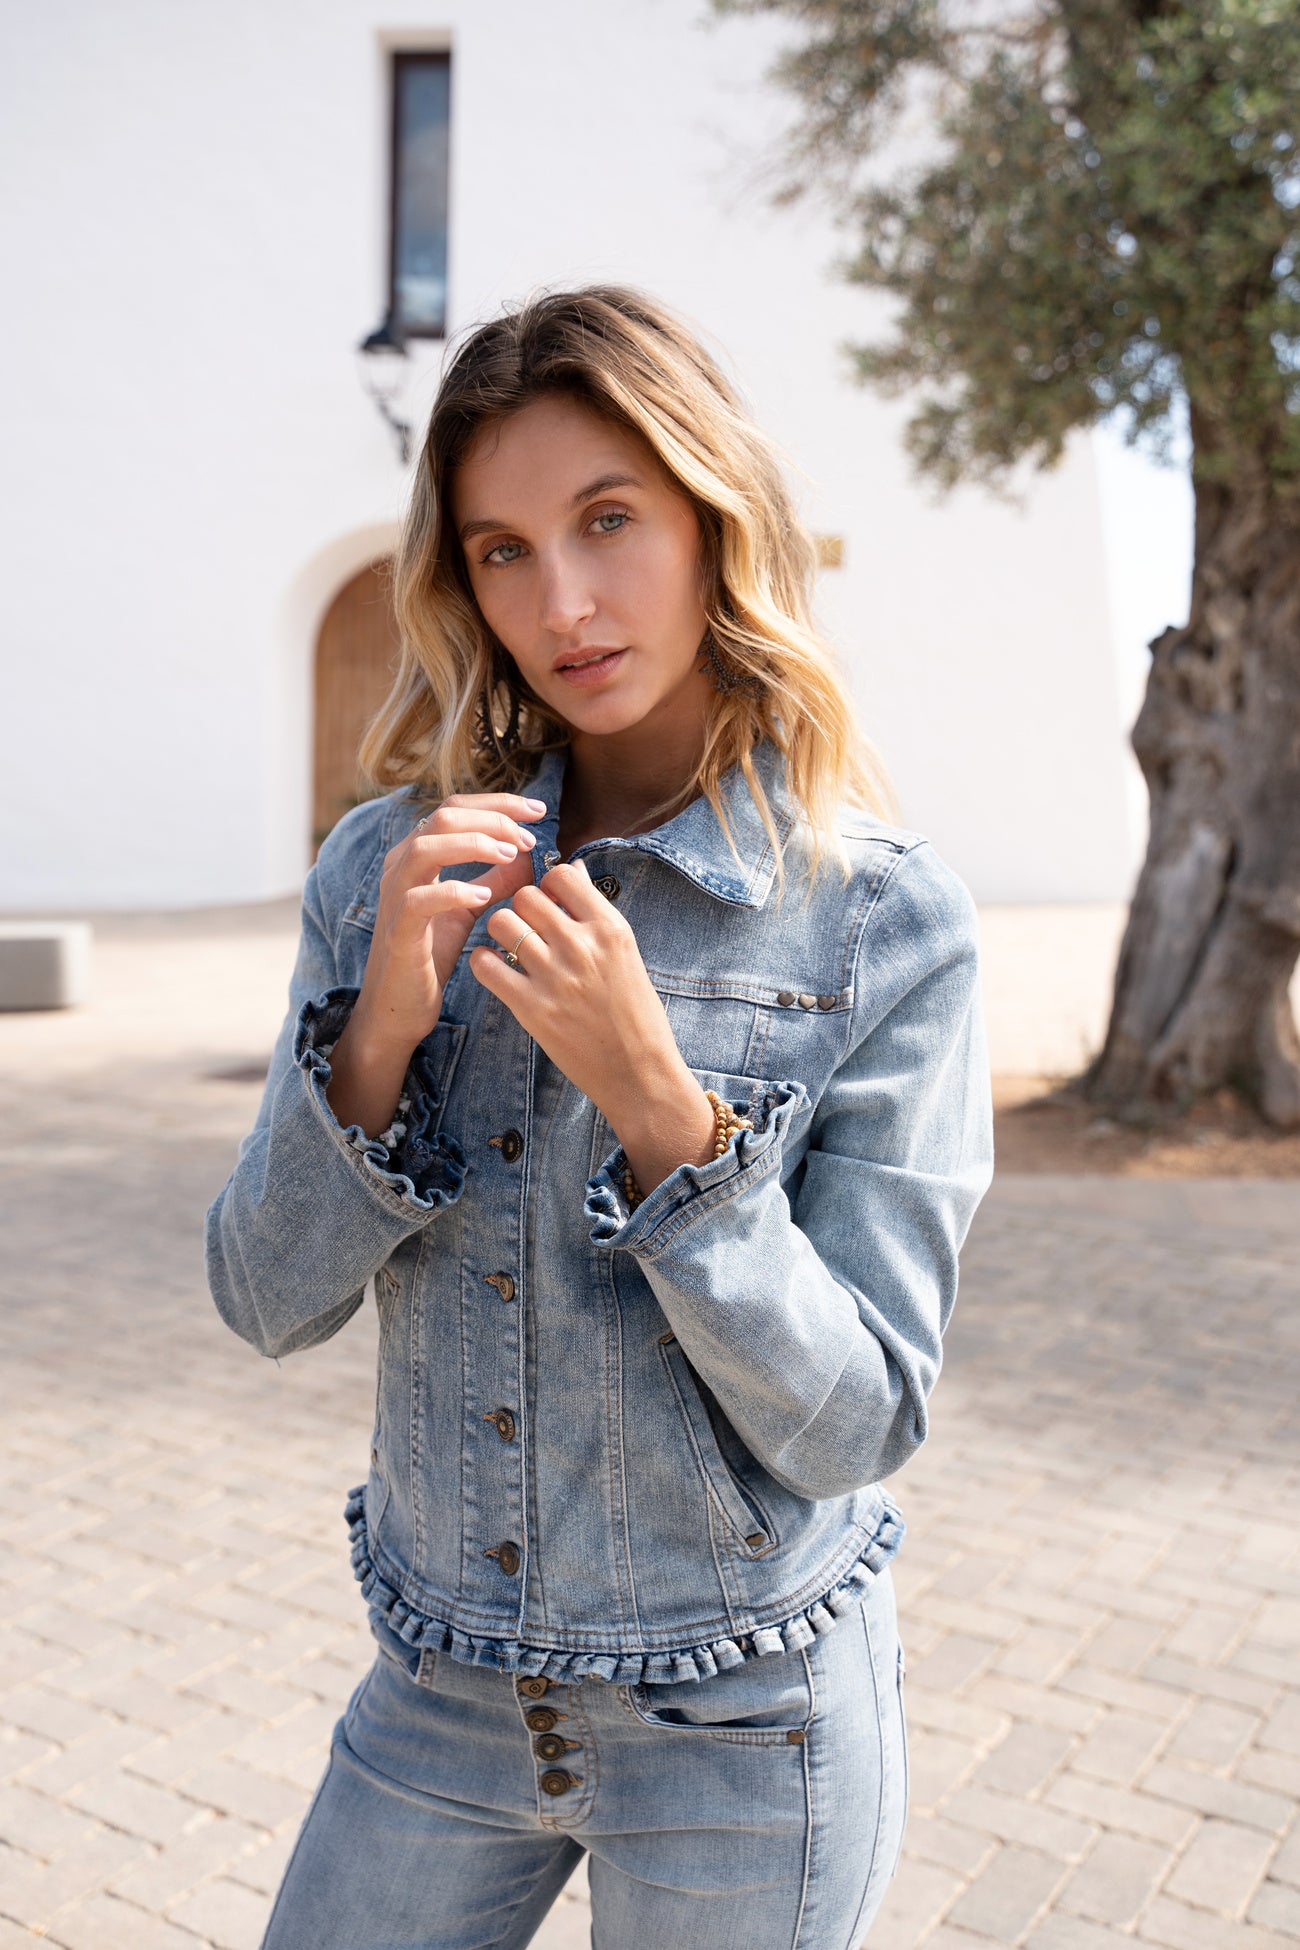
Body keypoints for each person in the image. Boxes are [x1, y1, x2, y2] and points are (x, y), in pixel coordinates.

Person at [206, 284, 994, 1950]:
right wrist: (380, 1035)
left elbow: (858, 1424)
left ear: (715, 518)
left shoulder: (881, 921)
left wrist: (664, 1114)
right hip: (442, 1698)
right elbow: (265, 1297)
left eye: (609, 518)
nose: (561, 601)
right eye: (503, 549)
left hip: (745, 1724)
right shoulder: (386, 874)